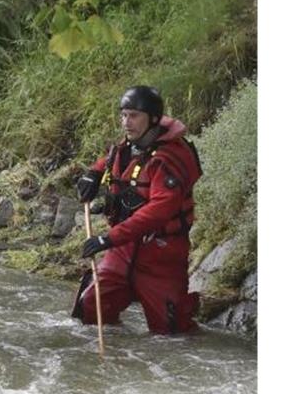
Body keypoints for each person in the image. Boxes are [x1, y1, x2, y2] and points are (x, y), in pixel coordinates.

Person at [72, 85, 202, 334]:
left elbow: (159, 211)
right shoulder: (131, 144)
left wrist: (107, 238)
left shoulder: (169, 158)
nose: (126, 122)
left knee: (172, 333)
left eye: (133, 116)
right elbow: (111, 158)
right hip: (123, 250)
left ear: (153, 118)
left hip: (161, 255)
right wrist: (93, 173)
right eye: (123, 115)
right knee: (90, 307)